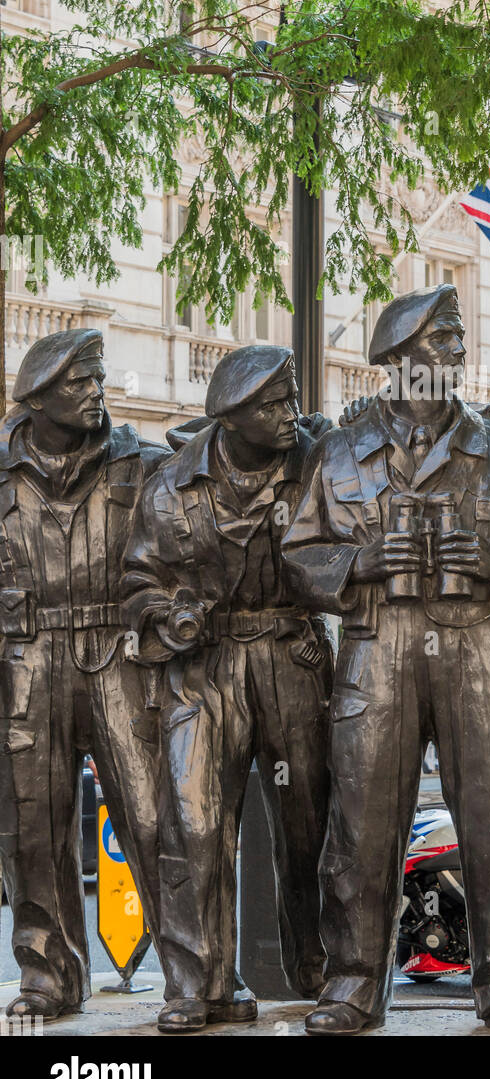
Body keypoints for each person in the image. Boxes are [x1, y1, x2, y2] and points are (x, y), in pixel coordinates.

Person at [282, 284, 490, 1036]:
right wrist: (363, 562)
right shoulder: (341, 449)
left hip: (481, 646)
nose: (458, 351)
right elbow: (301, 554)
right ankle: (353, 983)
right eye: (442, 340)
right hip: (379, 646)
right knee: (362, 825)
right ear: (400, 359)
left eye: (456, 338)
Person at [121, 345, 333, 1033]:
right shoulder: (170, 484)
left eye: (291, 398)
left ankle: (321, 970)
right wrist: (166, 615)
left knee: (314, 823)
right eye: (272, 405)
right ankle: (199, 984)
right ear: (232, 415)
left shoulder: (317, 464)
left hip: (290, 655)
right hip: (203, 668)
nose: (288, 414)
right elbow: (137, 581)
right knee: (196, 824)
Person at [0, 328, 168, 1021]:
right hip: (27, 661)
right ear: (36, 400)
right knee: (31, 829)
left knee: (157, 816)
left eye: (98, 378)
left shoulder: (143, 463)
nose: (96, 391)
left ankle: (196, 971)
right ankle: (47, 973)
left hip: (115, 655)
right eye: (79, 382)